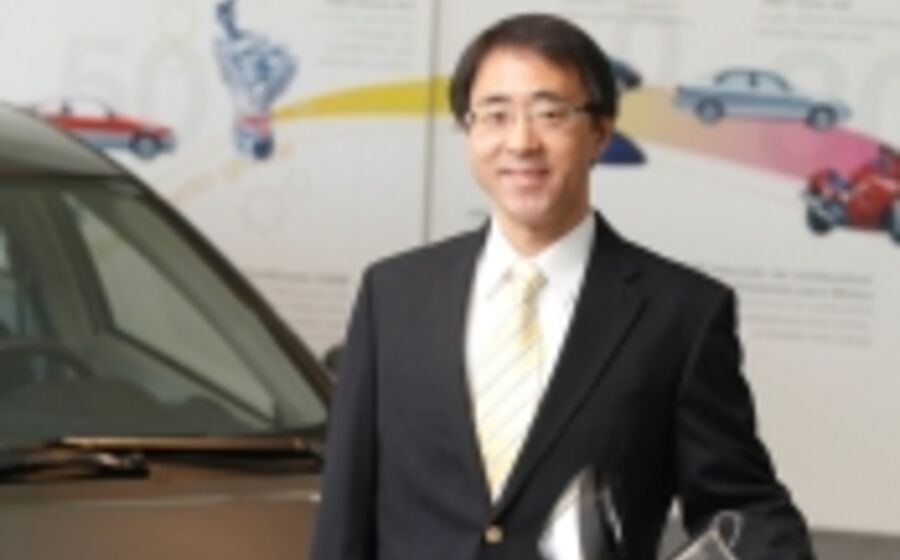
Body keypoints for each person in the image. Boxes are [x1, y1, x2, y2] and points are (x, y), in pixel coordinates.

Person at [311, 13, 814, 560]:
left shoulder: (682, 315)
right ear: (469, 130)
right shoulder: (393, 295)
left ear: (600, 131)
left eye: (550, 114)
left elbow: (744, 508)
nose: (521, 142)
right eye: (495, 115)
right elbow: (344, 512)